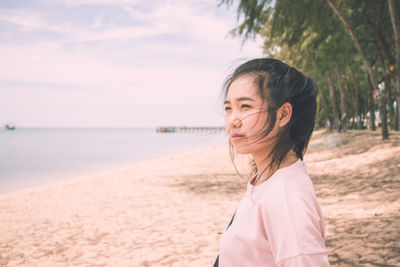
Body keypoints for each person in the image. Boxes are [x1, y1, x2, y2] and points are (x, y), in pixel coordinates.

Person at [215, 58, 330, 266]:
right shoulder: (267, 180)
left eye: (245, 106)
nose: (233, 120)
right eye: (228, 108)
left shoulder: (286, 197)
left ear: (283, 114)